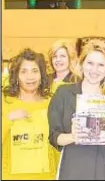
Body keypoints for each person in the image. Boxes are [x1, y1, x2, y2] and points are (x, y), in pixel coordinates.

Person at [47, 40, 105, 180]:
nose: (94, 70)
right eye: (90, 63)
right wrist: (73, 136)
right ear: (81, 64)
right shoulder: (63, 94)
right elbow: (53, 137)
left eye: (101, 65)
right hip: (75, 165)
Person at [2, 48, 59, 180]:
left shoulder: (52, 101)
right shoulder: (4, 101)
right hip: (10, 176)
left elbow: (58, 141)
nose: (30, 77)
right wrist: (8, 118)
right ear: (16, 76)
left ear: (42, 75)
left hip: (47, 176)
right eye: (24, 71)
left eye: (35, 71)